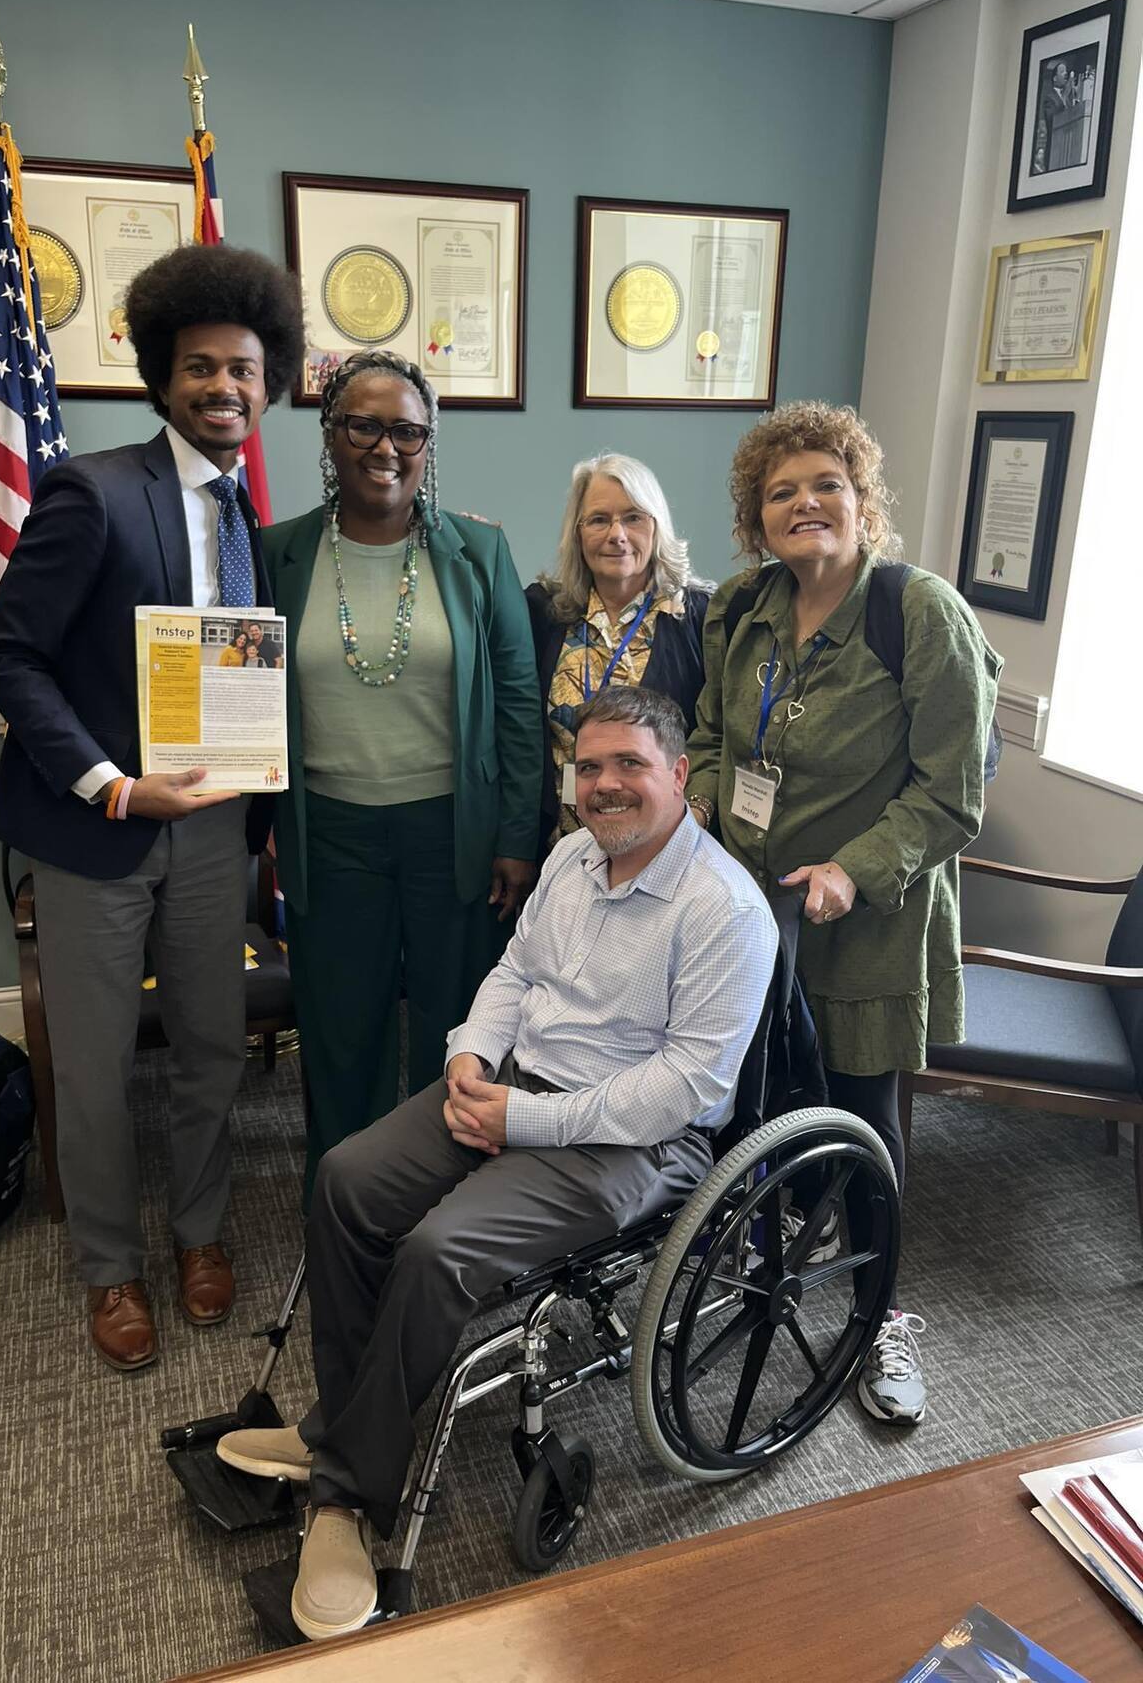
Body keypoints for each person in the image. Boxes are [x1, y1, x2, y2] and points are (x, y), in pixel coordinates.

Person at [216, 686, 778, 1640]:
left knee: (440, 1251)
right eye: (589, 766)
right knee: (347, 1180)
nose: (605, 785)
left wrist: (529, 1121)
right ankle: (343, 1423)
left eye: (629, 765)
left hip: (629, 1144)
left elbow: (683, 1087)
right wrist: (468, 1058)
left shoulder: (724, 910)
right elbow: (515, 975)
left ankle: (347, 1491)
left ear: (679, 774)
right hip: (508, 1087)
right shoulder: (569, 858)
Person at [0, 245, 304, 1372]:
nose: (225, 387)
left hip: (215, 830)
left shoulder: (258, 522)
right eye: (202, 367)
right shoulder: (92, 488)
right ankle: (110, 1264)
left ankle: (201, 1232)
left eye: (246, 370)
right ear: (163, 375)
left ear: (271, 383)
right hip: (98, 831)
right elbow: (8, 657)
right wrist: (111, 784)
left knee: (212, 1042)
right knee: (100, 1062)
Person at [686, 400, 1002, 1426]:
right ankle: (777, 1262)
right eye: (780, 492)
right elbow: (705, 735)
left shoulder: (916, 612)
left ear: (862, 501)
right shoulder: (737, 607)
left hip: (863, 922)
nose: (804, 504)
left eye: (826, 484)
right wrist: (693, 800)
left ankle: (880, 1316)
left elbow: (951, 789)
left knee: (860, 1122)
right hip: (747, 920)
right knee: (760, 1104)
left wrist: (851, 870)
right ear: (754, 518)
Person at [261, 350, 543, 1205]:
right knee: (341, 1034)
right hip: (330, 830)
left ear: (428, 443)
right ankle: (343, 1197)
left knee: (454, 1033)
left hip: (451, 832)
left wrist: (515, 837)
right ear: (330, 434)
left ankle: (441, 1200)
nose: (387, 446)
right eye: (364, 425)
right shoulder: (278, 554)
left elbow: (519, 702)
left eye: (407, 430)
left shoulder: (479, 551)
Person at [525, 453, 711, 857]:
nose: (617, 534)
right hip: (556, 849)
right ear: (577, 533)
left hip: (662, 849)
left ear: (656, 526)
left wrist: (698, 816)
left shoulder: (700, 617)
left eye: (633, 518)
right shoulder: (542, 612)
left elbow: (717, 735)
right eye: (598, 520)